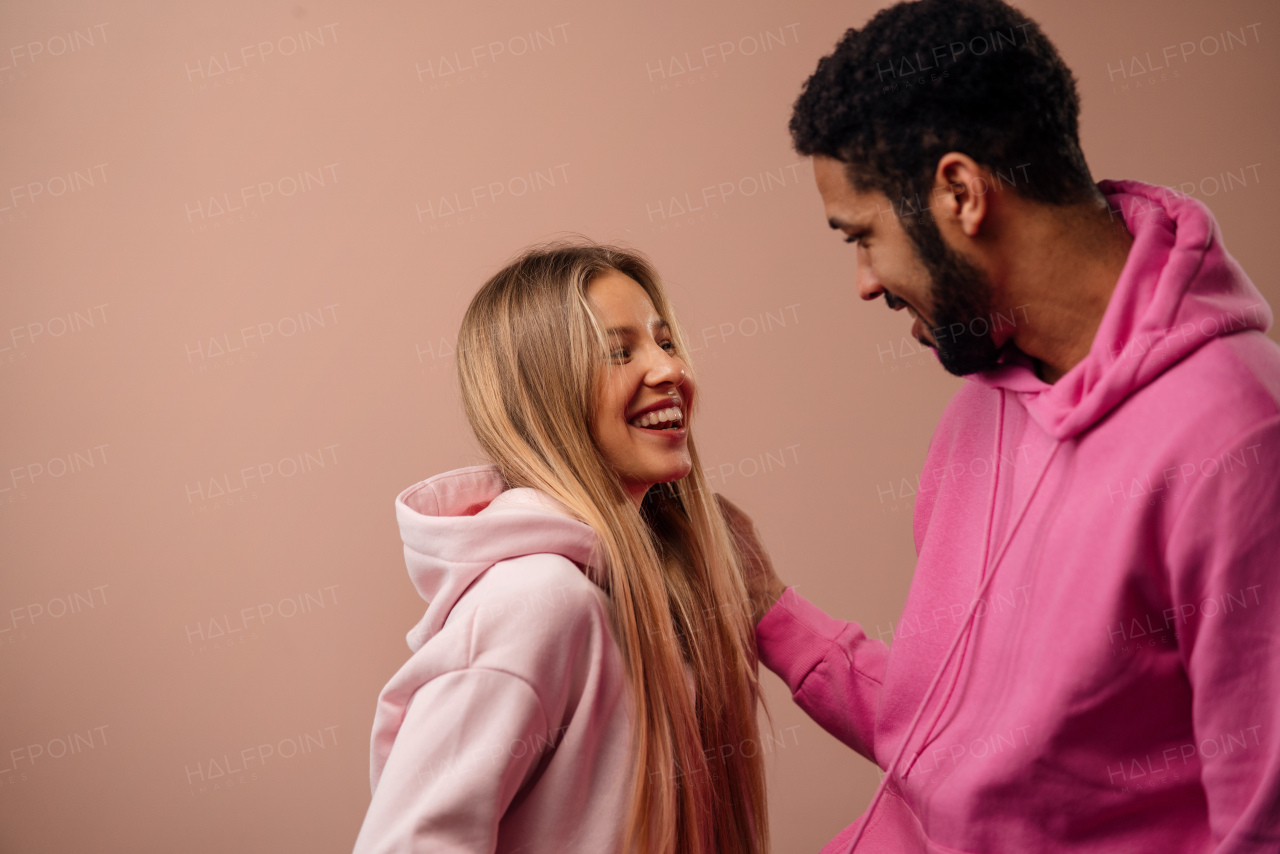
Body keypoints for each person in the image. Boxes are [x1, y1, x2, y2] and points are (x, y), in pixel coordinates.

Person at [727, 0, 1280, 851]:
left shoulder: (1237, 437)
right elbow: (956, 754)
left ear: (960, 192)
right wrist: (768, 608)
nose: (866, 283)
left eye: (863, 238)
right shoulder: (976, 415)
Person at [351, 241, 770, 854]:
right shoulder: (537, 600)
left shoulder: (654, 597)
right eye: (619, 352)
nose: (671, 370)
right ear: (547, 397)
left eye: (666, 341)